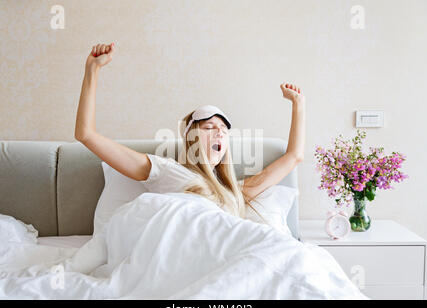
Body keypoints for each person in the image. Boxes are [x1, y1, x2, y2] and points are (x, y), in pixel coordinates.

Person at [75, 42, 305, 219]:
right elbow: (86, 134)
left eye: (224, 130)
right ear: (191, 139)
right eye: (209, 127)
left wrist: (298, 104)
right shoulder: (164, 170)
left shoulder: (235, 191)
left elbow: (294, 156)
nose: (220, 133)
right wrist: (92, 70)